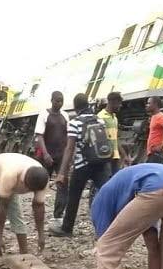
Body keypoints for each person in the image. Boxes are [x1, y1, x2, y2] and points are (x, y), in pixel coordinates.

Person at [91, 163, 163, 269]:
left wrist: (101, 244)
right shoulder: (123, 186)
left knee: (107, 248)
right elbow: (149, 230)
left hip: (157, 187)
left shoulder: (99, 201)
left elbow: (105, 237)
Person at [49, 93, 110, 237]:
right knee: (106, 193)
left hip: (82, 165)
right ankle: (109, 228)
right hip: (100, 163)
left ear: (76, 107)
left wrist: (62, 173)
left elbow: (69, 149)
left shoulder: (75, 122)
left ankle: (67, 228)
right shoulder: (100, 120)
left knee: (74, 197)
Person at [0, 153, 49, 268]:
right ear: (24, 182)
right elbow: (3, 207)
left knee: (17, 216)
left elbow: (38, 207)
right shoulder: (10, 175)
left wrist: (41, 235)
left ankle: (25, 255)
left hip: (5, 179)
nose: (28, 191)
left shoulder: (42, 179)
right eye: (28, 188)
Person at [34, 91, 69, 224]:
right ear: (51, 100)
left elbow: (68, 136)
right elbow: (40, 136)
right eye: (57, 100)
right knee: (42, 184)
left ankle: (58, 214)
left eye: (61, 101)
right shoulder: (44, 114)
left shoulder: (65, 115)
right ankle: (38, 210)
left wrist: (68, 155)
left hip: (61, 156)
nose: (59, 103)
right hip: (47, 157)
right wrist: (45, 154)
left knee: (63, 184)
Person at [97, 92, 131, 175]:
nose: (120, 106)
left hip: (115, 156)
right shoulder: (100, 117)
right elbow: (98, 139)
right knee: (105, 181)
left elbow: (115, 138)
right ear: (113, 102)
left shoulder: (115, 118)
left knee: (114, 180)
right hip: (105, 157)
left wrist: (124, 155)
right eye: (119, 103)